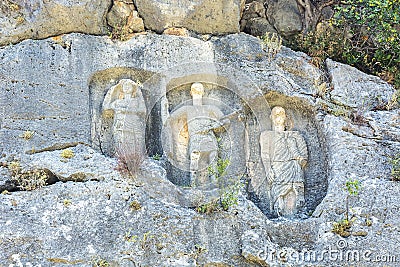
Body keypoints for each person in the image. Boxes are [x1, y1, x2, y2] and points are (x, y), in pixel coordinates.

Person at [260, 106, 308, 216]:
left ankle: (295, 214)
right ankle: (279, 214)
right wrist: (268, 170)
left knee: (294, 195)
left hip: (293, 169)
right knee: (278, 198)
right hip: (277, 168)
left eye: (281, 113)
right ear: (270, 117)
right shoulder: (266, 135)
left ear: (285, 117)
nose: (278, 116)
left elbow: (304, 159)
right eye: (275, 114)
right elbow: (265, 154)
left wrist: (294, 151)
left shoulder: (295, 135)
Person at [103, 79, 146, 155]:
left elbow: (143, 110)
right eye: (124, 85)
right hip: (121, 123)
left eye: (129, 85)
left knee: (135, 141)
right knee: (121, 140)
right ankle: (121, 157)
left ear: (133, 88)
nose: (126, 87)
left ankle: (136, 158)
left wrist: (126, 110)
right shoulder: (118, 101)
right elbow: (106, 107)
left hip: (134, 123)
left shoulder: (137, 100)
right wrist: (112, 90)